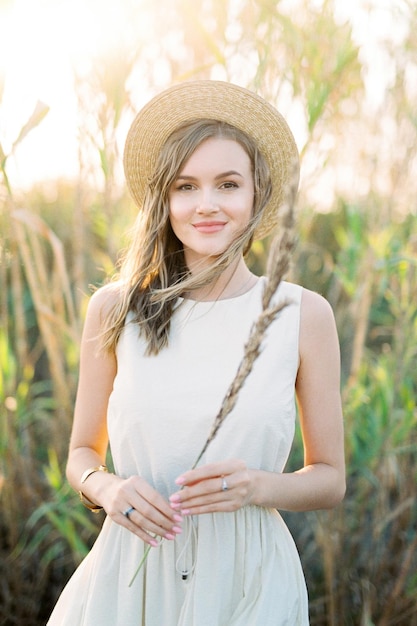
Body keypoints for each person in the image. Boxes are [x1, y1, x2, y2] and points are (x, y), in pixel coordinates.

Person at [47, 80, 345, 626]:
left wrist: (259, 486)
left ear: (257, 193)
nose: (205, 205)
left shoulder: (303, 315)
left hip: (250, 580)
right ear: (165, 199)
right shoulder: (115, 309)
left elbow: (329, 476)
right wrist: (108, 489)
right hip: (130, 576)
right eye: (185, 186)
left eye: (227, 184)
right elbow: (80, 455)